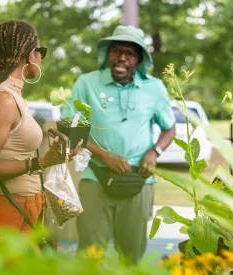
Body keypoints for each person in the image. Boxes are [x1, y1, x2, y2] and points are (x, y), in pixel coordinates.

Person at [0, 20, 82, 266]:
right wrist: (43, 161)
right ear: (31, 55)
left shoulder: (12, 95)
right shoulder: (2, 99)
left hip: (25, 209)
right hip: (5, 214)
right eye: (41, 51)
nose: (41, 57)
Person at [61, 25, 176, 263]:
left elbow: (169, 127)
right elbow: (68, 126)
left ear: (139, 60)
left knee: (132, 255)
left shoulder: (154, 88)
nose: (121, 57)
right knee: (91, 255)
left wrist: (155, 151)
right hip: (96, 177)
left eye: (130, 53)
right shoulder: (87, 83)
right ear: (108, 54)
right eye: (116, 51)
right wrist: (103, 155)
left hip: (139, 180)